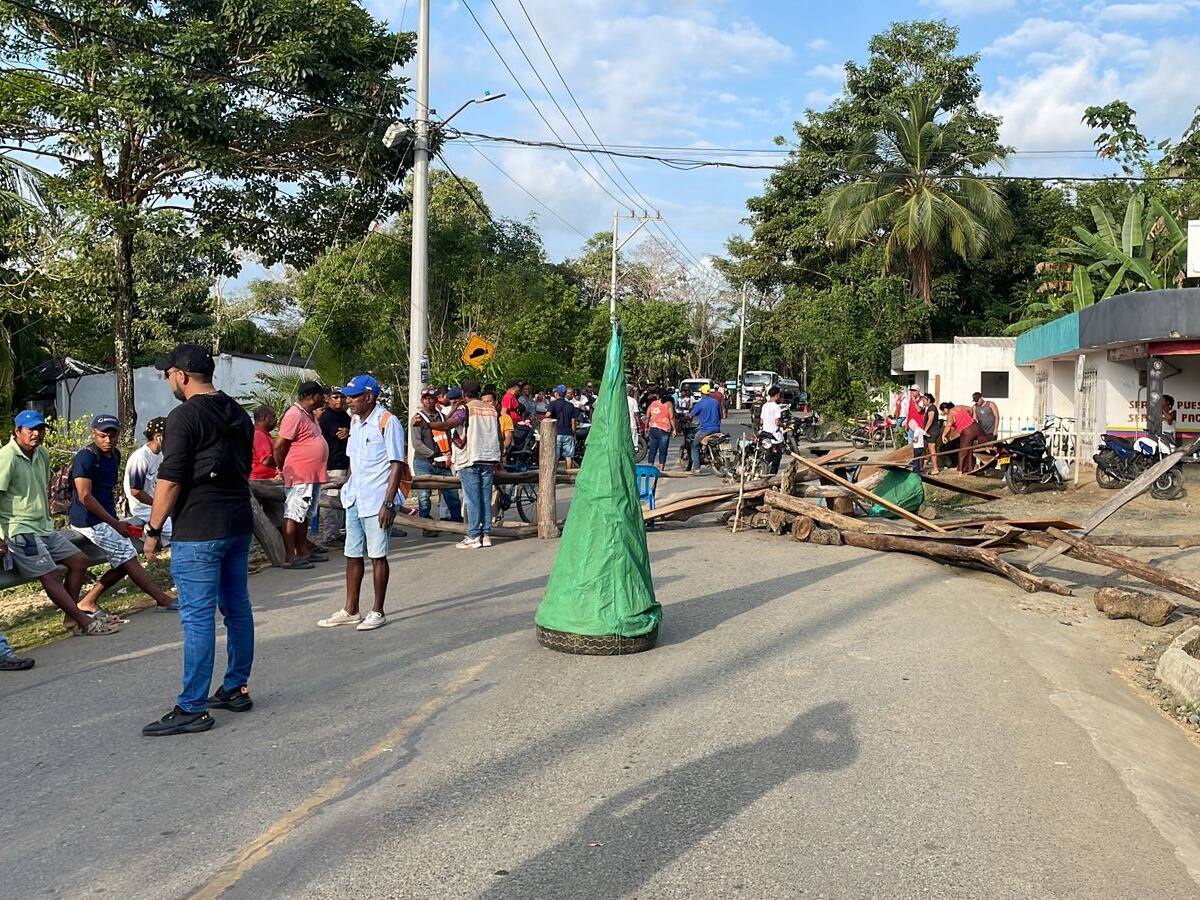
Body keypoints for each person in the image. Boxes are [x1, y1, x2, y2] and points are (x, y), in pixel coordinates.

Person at [142, 343, 255, 736]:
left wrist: (153, 530)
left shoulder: (183, 416)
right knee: (237, 608)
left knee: (198, 618)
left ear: (182, 376)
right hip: (238, 522)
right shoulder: (238, 412)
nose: (167, 379)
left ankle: (191, 706)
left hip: (199, 528)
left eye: (168, 373)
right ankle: (234, 688)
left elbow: (170, 479)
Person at [0, 410, 121, 639]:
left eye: (40, 429)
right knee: (50, 573)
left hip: (44, 526)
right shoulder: (6, 457)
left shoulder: (42, 453)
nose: (36, 434)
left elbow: (43, 489)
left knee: (80, 561)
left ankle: (71, 617)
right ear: (17, 432)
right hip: (20, 529)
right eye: (30, 430)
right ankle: (84, 620)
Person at [317, 374, 408, 631]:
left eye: (354, 395)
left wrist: (388, 503)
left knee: (377, 555)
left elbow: (396, 464)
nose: (349, 400)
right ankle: (351, 609)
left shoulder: (388, 422)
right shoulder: (355, 421)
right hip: (355, 497)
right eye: (347, 395)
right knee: (352, 554)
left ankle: (378, 611)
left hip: (377, 500)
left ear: (369, 396)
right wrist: (348, 488)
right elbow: (354, 461)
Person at [69, 413, 176, 623]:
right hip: (88, 520)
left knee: (123, 561)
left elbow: (106, 492)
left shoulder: (114, 455)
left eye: (112, 435)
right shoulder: (86, 456)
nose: (107, 440)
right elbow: (85, 496)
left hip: (107, 517)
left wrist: (115, 520)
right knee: (127, 555)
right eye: (102, 435)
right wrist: (115, 523)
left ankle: (88, 600)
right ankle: (161, 598)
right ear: (93, 434)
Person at [274, 381, 329, 569]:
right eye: (321, 395)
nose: (324, 398)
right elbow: (280, 446)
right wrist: (282, 468)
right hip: (299, 474)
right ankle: (290, 555)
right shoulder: (294, 414)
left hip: (311, 474)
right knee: (293, 513)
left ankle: (303, 550)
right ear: (313, 396)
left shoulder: (310, 415)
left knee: (305, 514)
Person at [445, 379, 502, 549]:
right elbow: (498, 434)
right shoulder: (491, 409)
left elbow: (449, 423)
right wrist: (500, 457)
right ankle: (486, 535)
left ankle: (473, 535)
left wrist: (429, 424)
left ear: (463, 393)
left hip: (470, 456)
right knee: (485, 498)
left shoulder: (466, 408)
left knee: (472, 499)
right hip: (489, 457)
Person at [411, 388, 462, 531]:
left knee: (451, 493)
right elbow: (416, 443)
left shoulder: (443, 417)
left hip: (442, 461)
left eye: (431, 398)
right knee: (424, 496)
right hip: (423, 462)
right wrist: (432, 455)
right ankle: (427, 526)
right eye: (425, 398)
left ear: (436, 399)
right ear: (422, 400)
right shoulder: (417, 419)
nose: (428, 401)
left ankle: (458, 523)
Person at [124, 416, 170, 541]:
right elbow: (136, 491)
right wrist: (158, 504)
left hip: (159, 506)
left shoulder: (161, 455)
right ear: (157, 437)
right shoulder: (141, 457)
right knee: (177, 530)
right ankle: (146, 535)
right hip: (144, 509)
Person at [318, 386, 352, 542]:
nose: (339, 400)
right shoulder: (328, 416)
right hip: (333, 465)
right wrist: (350, 432)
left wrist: (350, 431)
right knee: (332, 501)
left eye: (341, 397)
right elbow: (340, 434)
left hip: (345, 463)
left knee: (343, 500)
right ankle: (330, 535)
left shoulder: (345, 415)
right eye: (335, 397)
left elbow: (348, 433)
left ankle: (338, 532)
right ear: (328, 399)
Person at [940, 401, 983, 474]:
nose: (944, 413)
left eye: (943, 411)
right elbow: (971, 409)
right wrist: (971, 417)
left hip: (967, 431)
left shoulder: (951, 413)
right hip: (975, 426)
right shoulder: (959, 407)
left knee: (963, 451)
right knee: (973, 448)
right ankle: (970, 468)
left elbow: (948, 425)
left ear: (945, 409)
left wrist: (943, 435)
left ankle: (961, 470)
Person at [689, 384, 722, 475]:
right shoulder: (715, 402)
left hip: (705, 430)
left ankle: (696, 468)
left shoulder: (700, 403)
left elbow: (691, 414)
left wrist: (686, 418)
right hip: (717, 429)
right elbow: (720, 415)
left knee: (694, 445)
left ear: (702, 393)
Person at [547, 385, 578, 470]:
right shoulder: (571, 405)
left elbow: (548, 415)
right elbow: (573, 420)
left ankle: (554, 477)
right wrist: (573, 432)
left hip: (556, 433)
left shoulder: (553, 404)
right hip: (568, 433)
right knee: (568, 456)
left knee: (555, 457)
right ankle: (569, 477)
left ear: (557, 393)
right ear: (565, 394)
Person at [645, 390, 675, 470]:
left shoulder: (653, 403)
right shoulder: (669, 404)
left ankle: (650, 467)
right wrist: (674, 429)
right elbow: (671, 417)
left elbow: (647, 415)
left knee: (652, 449)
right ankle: (661, 468)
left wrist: (646, 427)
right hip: (664, 429)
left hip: (653, 428)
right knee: (663, 450)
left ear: (658, 396)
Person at [759, 386, 784, 475]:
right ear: (777, 395)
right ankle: (772, 476)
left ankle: (762, 469)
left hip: (766, 436)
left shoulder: (764, 406)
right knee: (777, 458)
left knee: (768, 456)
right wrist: (783, 424)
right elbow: (777, 422)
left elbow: (761, 421)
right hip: (775, 437)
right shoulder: (776, 407)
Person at [250, 405, 279, 481]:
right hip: (263, 481)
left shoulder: (260, 433)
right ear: (263, 418)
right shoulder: (259, 434)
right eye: (273, 417)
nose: (276, 420)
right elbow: (266, 460)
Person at [922, 394, 941, 475]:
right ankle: (924, 466)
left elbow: (930, 420)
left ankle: (935, 469)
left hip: (932, 432)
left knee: (932, 451)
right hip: (931, 431)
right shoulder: (929, 408)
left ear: (928, 400)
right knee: (929, 450)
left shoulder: (932, 408)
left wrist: (924, 431)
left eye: (924, 400)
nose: (923, 402)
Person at [627, 386, 642, 451]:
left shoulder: (620, 400)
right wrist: (639, 425)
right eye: (633, 391)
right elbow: (636, 414)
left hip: (623, 425)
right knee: (634, 440)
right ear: (630, 392)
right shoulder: (633, 401)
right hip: (632, 424)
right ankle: (635, 450)